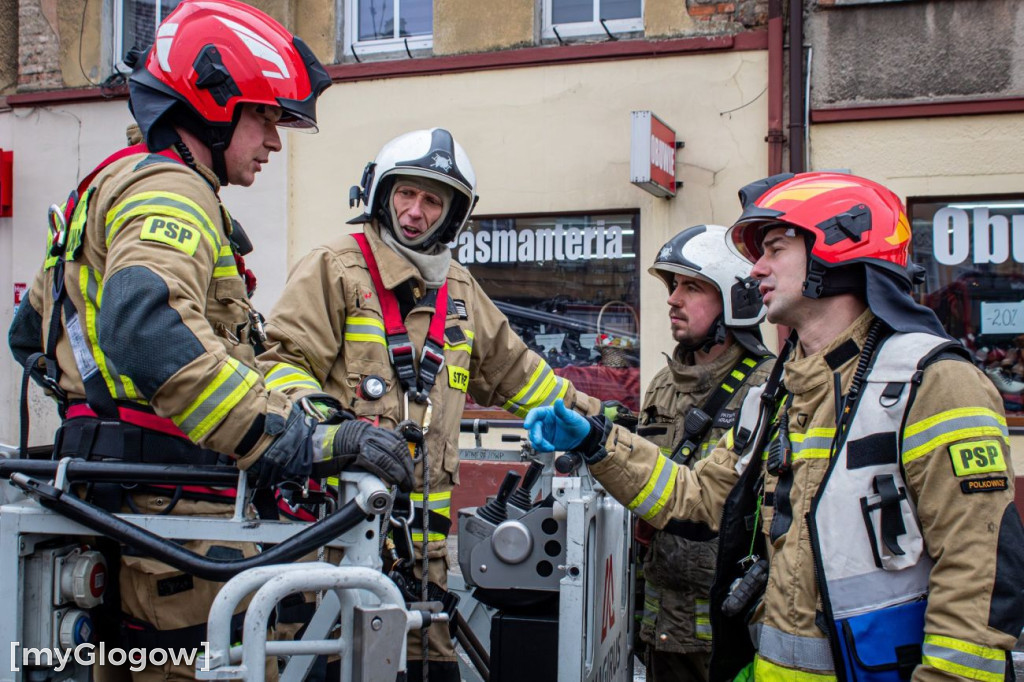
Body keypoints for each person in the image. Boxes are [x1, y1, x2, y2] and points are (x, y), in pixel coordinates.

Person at [8, 2, 414, 679]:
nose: (276, 140)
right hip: (176, 522)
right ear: (212, 100)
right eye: (264, 116)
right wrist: (287, 441)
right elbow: (147, 329)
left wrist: (321, 422)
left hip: (130, 507)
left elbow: (34, 339)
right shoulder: (172, 190)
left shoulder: (115, 184)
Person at [526, 172, 1024, 682]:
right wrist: (594, 441)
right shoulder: (778, 393)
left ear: (838, 247)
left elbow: (977, 580)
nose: (757, 267)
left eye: (775, 248)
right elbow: (696, 499)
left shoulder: (934, 383)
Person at [257, 127, 601, 682]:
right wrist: (336, 433)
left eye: (432, 200)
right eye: (405, 195)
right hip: (338, 553)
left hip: (426, 563)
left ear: (452, 215)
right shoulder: (336, 267)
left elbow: (522, 375)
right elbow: (280, 364)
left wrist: (597, 422)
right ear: (381, 195)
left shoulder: (460, 290)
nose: (415, 213)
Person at [633, 224, 772, 682]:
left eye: (692, 286)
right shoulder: (661, 386)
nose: (673, 298)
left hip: (728, 635)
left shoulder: (770, 389)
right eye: (673, 285)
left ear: (737, 299)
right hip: (658, 629)